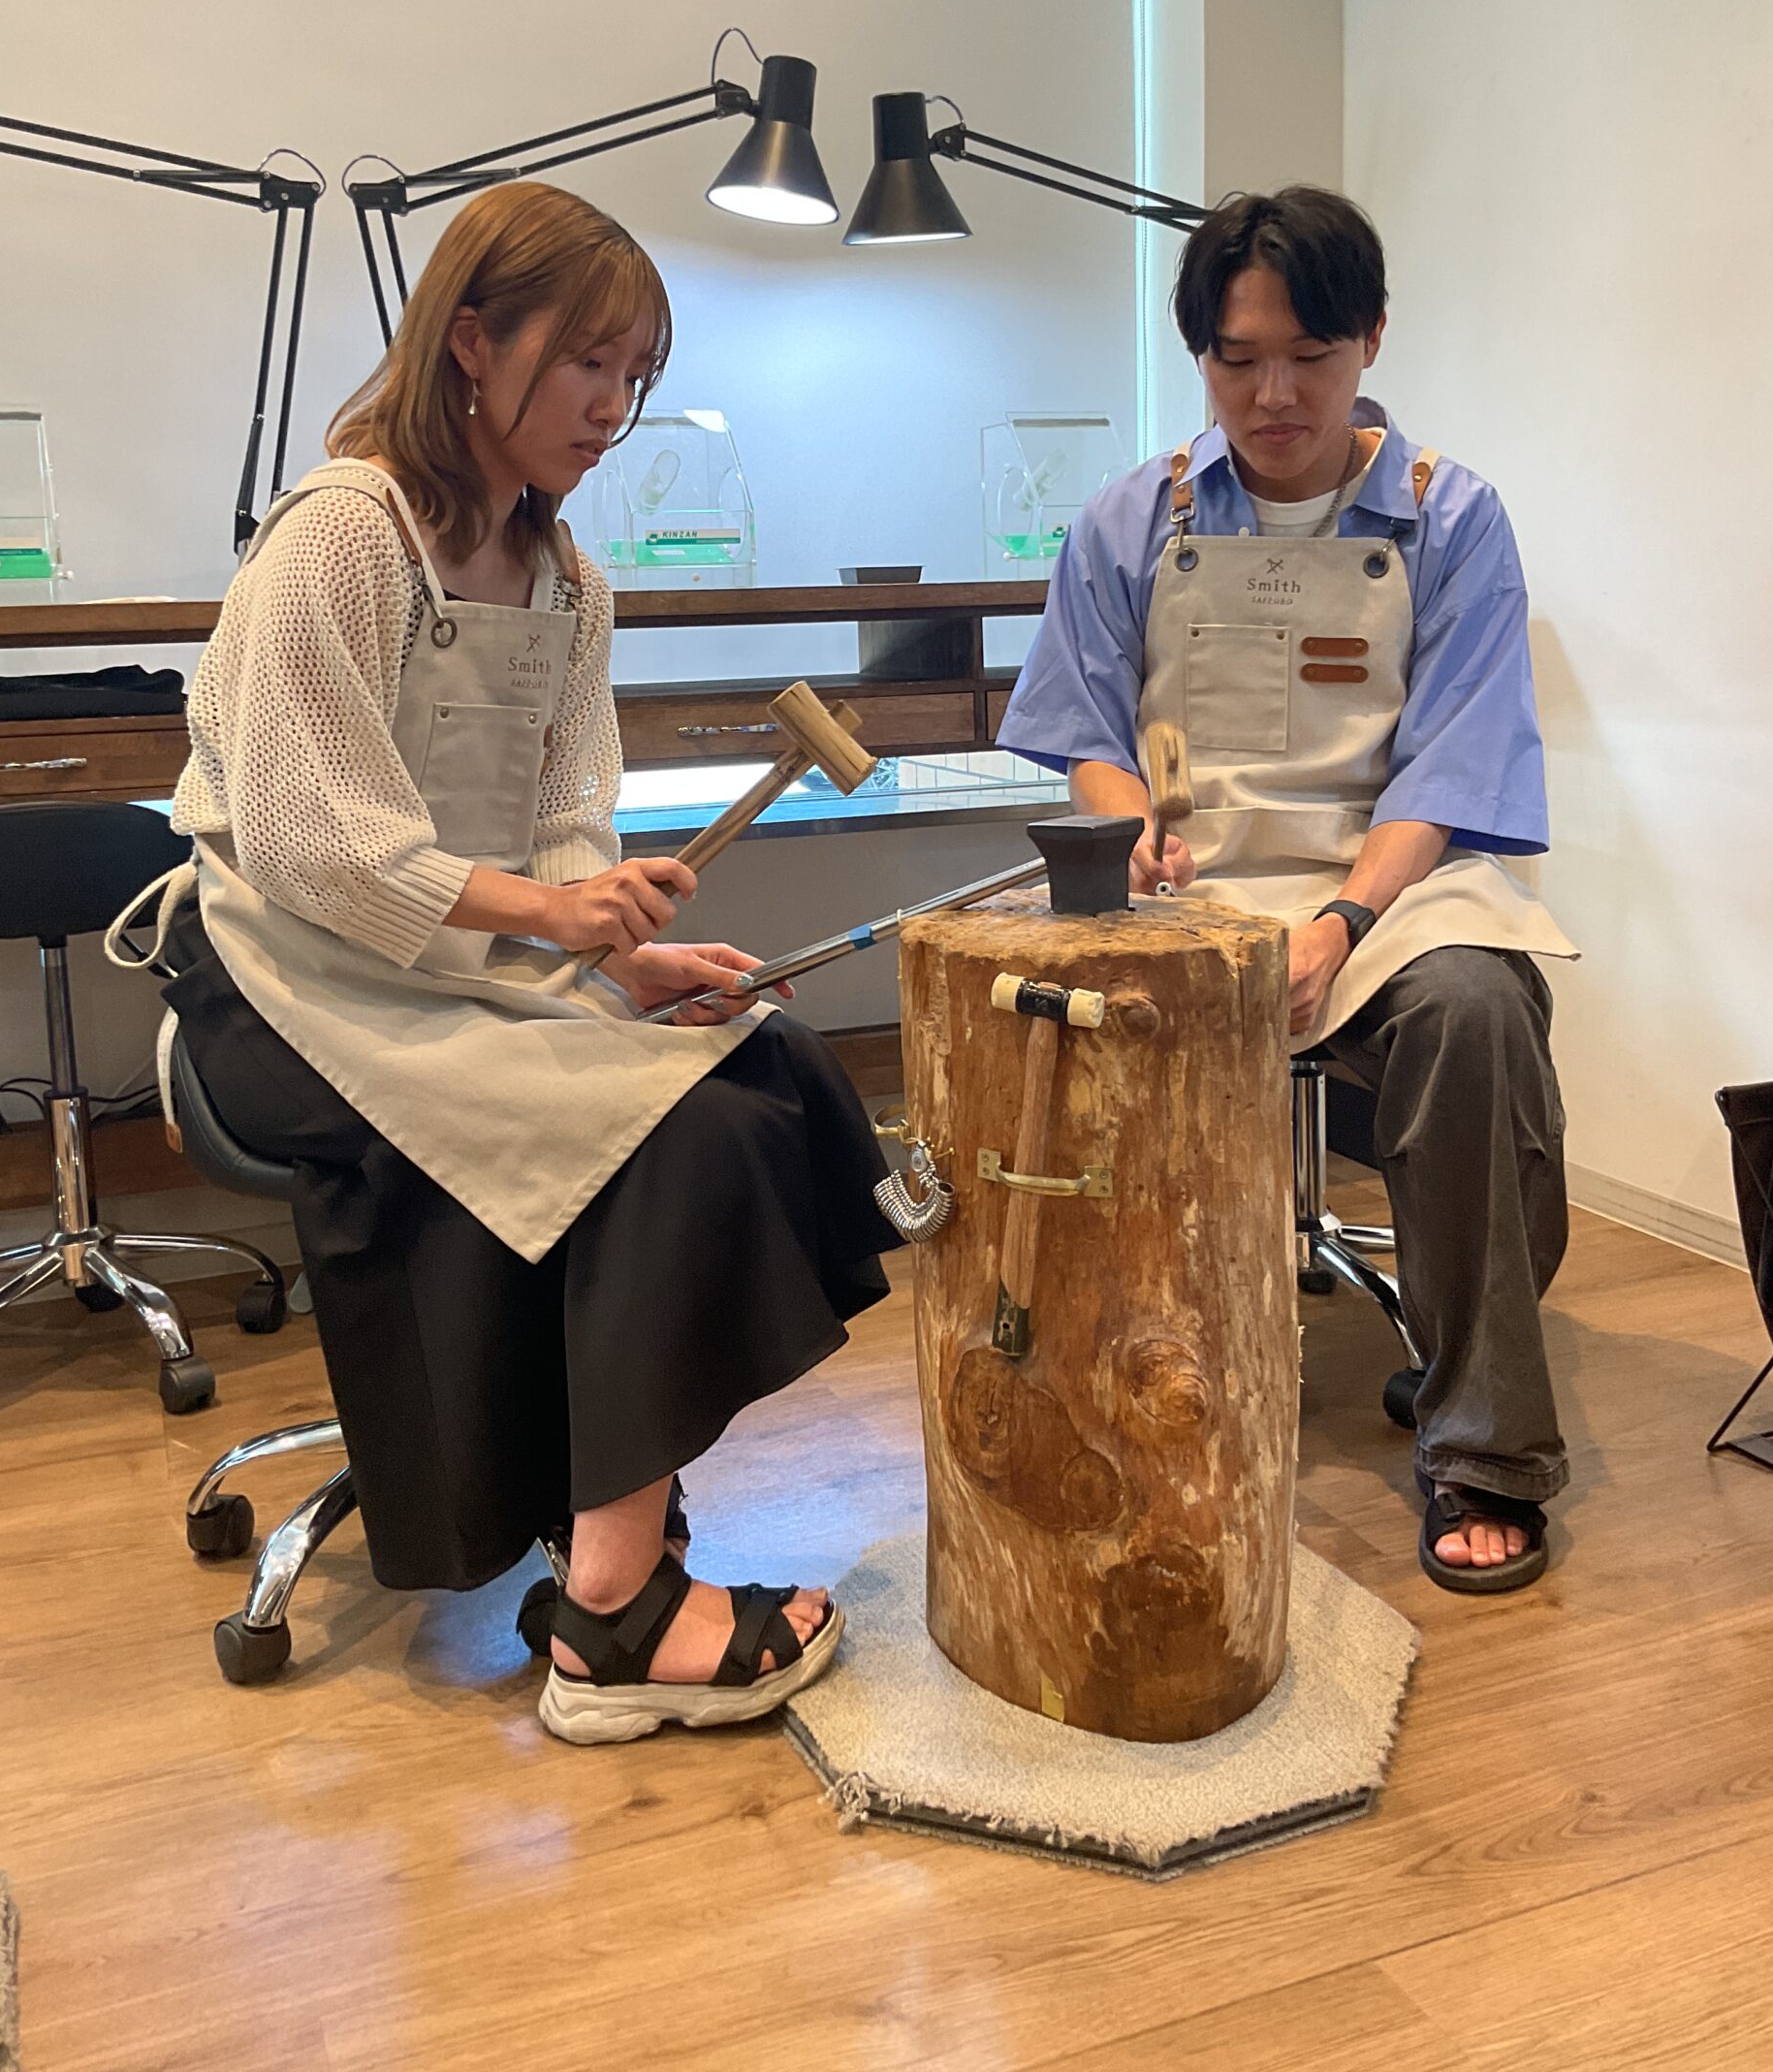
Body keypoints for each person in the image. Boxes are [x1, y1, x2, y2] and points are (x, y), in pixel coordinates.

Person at [118, 180, 893, 1737]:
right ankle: (615, 1618)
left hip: (453, 964)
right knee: (664, 1134)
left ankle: (612, 1524)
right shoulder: (343, 539)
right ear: (471, 340)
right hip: (281, 979)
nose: (612, 409)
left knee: (754, 1063)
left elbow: (565, 824)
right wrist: (552, 928)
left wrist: (613, 958)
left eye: (635, 376)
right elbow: (314, 845)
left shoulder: (569, 584)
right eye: (587, 364)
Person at [998, 185, 1577, 1594]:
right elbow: (1088, 734)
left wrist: (1341, 922)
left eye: (1309, 357)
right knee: (1052, 1013)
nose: (1273, 395)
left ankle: (1485, 1444)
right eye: (1238, 358)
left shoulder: (1450, 517)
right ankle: (1122, 1385)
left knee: (1477, 1010)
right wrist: (1132, 841)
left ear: (1370, 338)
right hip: (1193, 883)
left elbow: (1452, 765)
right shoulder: (1132, 519)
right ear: (1199, 353)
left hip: (1391, 887)